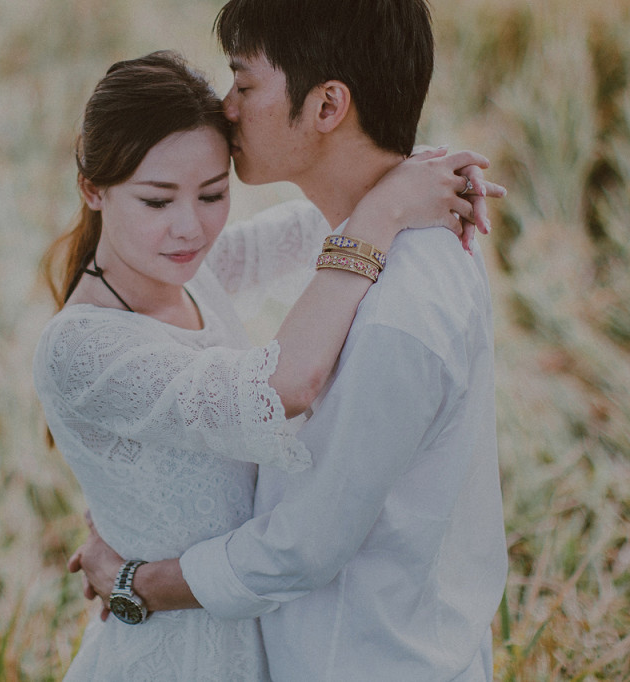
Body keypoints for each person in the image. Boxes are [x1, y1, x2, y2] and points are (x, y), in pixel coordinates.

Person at [69, 2, 509, 681]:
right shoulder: (391, 231)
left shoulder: (398, 309)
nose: (227, 108)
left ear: (329, 104)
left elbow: (301, 547)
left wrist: (136, 580)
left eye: (244, 85)